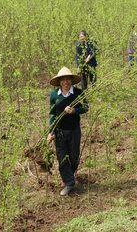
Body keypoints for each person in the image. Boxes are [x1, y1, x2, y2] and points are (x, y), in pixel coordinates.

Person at [47, 67, 88, 196]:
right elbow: (52, 114)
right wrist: (51, 131)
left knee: (74, 157)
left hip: (74, 130)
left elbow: (85, 107)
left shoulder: (78, 93)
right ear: (59, 82)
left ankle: (70, 176)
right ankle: (69, 183)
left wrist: (75, 110)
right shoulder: (54, 95)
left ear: (71, 80)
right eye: (63, 80)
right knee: (62, 158)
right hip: (59, 131)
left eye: (68, 79)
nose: (66, 82)